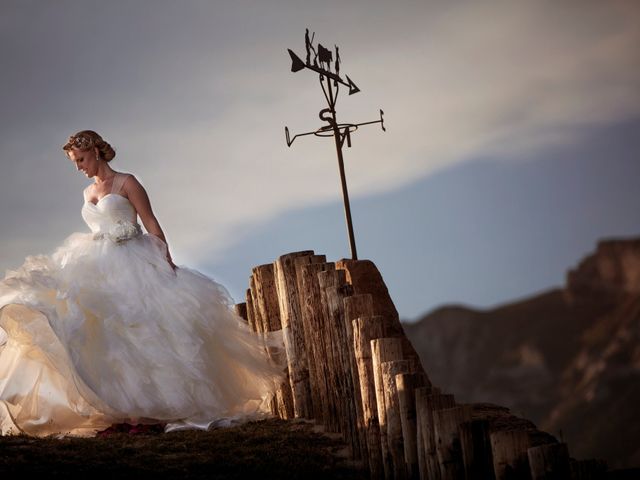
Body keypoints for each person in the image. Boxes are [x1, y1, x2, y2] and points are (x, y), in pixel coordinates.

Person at [0, 130, 285, 437]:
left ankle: (150, 415)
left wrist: (165, 260)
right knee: (108, 337)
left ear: (95, 152)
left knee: (142, 331)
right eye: (74, 162)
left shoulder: (127, 182)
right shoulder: (87, 193)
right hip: (97, 264)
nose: (79, 167)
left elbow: (150, 222)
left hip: (133, 262)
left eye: (81, 160)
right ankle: (122, 413)